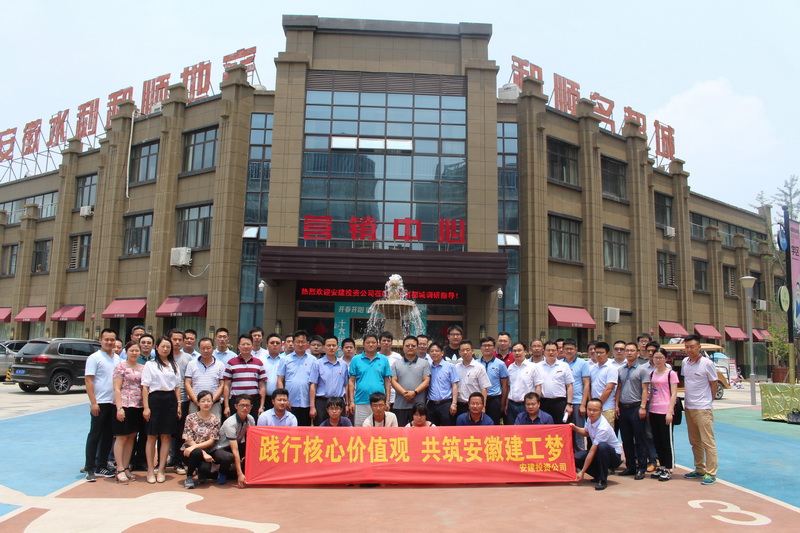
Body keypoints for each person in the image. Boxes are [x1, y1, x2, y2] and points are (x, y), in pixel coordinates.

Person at [141, 336, 181, 484]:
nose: (165, 349)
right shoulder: (150, 364)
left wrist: (178, 404)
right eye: (163, 346)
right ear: (156, 347)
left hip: (170, 400)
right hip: (154, 400)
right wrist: (146, 407)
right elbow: (145, 387)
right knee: (152, 436)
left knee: (166, 436)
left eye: (168, 347)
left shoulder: (174, 365)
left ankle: (161, 469)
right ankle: (150, 470)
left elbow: (177, 386)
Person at [681, 334, 719, 485]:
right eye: (687, 347)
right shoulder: (685, 362)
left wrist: (709, 400)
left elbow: (714, 383)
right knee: (694, 441)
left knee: (708, 442)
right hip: (689, 407)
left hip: (703, 408)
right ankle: (699, 468)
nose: (689, 350)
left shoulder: (707, 363)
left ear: (699, 347)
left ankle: (711, 473)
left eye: (692, 347)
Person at [84, 328, 120, 481]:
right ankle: (90, 467)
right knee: (95, 435)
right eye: (107, 339)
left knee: (108, 436)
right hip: (100, 402)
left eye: (112, 339)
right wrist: (93, 402)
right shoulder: (94, 358)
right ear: (100, 340)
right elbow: (88, 380)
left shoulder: (117, 358)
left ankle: (101, 465)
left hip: (113, 403)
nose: (110, 342)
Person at [571, 398, 623, 491]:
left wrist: (582, 472)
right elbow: (586, 432)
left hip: (613, 456)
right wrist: (574, 428)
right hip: (598, 453)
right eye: (589, 409)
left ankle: (602, 480)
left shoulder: (603, 427)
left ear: (601, 411)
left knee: (602, 446)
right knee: (575, 458)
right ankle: (598, 475)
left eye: (595, 410)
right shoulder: (590, 419)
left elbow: (592, 451)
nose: (591, 413)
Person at [615, 342, 650, 479]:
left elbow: (645, 390)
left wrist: (643, 407)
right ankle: (630, 466)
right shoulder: (621, 370)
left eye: (632, 350)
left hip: (636, 407)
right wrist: (617, 405)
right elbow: (619, 388)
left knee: (639, 439)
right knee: (626, 439)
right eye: (627, 350)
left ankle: (641, 467)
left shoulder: (642, 370)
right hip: (623, 408)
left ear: (638, 353)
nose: (629, 353)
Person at [112, 341, 144, 484]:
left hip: (137, 406)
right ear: (126, 352)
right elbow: (117, 388)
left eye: (137, 350)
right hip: (124, 405)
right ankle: (119, 468)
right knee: (121, 437)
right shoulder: (120, 367)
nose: (134, 353)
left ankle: (126, 467)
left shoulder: (143, 368)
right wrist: (119, 408)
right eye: (132, 350)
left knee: (132, 437)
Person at [648, 348, 679, 481]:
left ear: (666, 359)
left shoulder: (670, 374)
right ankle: (661, 466)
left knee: (667, 441)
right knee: (657, 441)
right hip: (653, 410)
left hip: (665, 411)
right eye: (656, 357)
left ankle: (669, 468)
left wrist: (669, 412)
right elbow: (651, 392)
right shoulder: (652, 373)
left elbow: (674, 394)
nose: (658, 360)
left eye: (661, 357)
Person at [348, 334, 392, 427]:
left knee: (379, 429)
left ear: (377, 344)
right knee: (360, 429)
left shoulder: (383, 359)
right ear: (363, 344)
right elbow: (351, 381)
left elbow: (387, 381)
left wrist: (387, 401)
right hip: (361, 401)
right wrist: (351, 401)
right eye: (368, 342)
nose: (371, 345)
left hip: (379, 402)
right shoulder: (356, 359)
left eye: (373, 342)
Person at [211, 394, 254, 488]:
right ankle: (222, 473)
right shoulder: (230, 423)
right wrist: (239, 474)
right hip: (221, 448)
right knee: (228, 457)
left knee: (255, 450)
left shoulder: (250, 419)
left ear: (251, 407)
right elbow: (235, 449)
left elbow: (252, 439)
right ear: (236, 406)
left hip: (237, 444)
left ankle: (248, 472)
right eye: (242, 405)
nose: (245, 408)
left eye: (247, 405)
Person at [181, 390, 220, 489]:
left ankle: (201, 473)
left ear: (212, 402)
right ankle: (189, 477)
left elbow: (211, 441)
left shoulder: (215, 419)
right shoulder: (190, 418)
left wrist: (204, 453)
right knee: (197, 452)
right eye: (203, 401)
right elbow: (188, 439)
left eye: (208, 401)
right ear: (198, 403)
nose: (206, 403)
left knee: (205, 468)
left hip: (207, 453)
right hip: (190, 452)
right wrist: (202, 452)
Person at [222, 334, 267, 420]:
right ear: (238, 346)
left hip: (253, 401)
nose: (246, 346)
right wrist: (226, 406)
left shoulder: (259, 363)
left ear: (252, 346)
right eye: (243, 344)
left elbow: (262, 386)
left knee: (252, 424)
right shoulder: (231, 363)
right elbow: (227, 385)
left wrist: (261, 406)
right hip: (236, 401)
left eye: (248, 344)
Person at [391, 335, 431, 427]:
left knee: (419, 431)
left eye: (413, 346)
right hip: (400, 405)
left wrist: (414, 392)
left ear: (417, 347)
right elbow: (393, 381)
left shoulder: (424, 363)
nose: (410, 347)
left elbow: (426, 380)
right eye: (407, 345)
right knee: (401, 431)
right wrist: (405, 393)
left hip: (419, 406)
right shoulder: (396, 363)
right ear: (403, 347)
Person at [309, 336, 350, 426]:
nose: (331, 348)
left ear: (337, 347)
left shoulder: (343, 365)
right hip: (322, 402)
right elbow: (313, 385)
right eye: (329, 345)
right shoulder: (317, 364)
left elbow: (346, 385)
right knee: (321, 428)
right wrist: (312, 407)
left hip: (338, 402)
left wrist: (347, 404)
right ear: (324, 347)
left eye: (333, 345)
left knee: (339, 428)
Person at [277, 330, 315, 426]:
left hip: (306, 403)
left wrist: (312, 406)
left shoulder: (313, 360)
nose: (300, 344)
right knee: (289, 429)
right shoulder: (285, 359)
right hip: (290, 402)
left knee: (304, 430)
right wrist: (284, 400)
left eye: (303, 342)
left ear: (307, 344)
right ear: (293, 343)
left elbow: (313, 384)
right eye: (298, 342)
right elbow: (280, 380)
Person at [184, 337, 225, 418]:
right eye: (203, 348)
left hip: (214, 405)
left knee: (214, 425)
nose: (206, 351)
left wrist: (211, 401)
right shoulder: (191, 364)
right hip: (195, 404)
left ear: (213, 348)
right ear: (199, 349)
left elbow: (222, 385)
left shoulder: (220, 365)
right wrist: (196, 401)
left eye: (208, 348)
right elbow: (187, 383)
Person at [536, 341, 574, 423]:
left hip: (560, 402)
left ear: (557, 351)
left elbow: (569, 386)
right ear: (544, 351)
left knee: (561, 426)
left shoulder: (564, 366)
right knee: (544, 426)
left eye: (553, 350)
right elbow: (537, 386)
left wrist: (569, 404)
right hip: (543, 402)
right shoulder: (538, 366)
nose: (551, 352)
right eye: (548, 350)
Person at [505, 342, 542, 425]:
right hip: (511, 404)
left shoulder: (533, 367)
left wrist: (536, 404)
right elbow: (509, 387)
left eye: (519, 350)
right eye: (514, 351)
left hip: (526, 405)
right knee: (511, 430)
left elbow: (538, 386)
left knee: (525, 429)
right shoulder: (510, 367)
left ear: (525, 352)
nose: (517, 353)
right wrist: (507, 404)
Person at [564, 338, 590, 451]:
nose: (569, 351)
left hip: (577, 402)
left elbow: (586, 384)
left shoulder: (582, 363)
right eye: (566, 349)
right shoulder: (560, 363)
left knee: (578, 432)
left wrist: (583, 404)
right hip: (564, 402)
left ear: (576, 349)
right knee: (565, 432)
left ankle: (580, 457)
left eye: (571, 349)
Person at [426, 342, 459, 426]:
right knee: (432, 429)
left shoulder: (450, 366)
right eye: (432, 351)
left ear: (442, 353)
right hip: (431, 404)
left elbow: (454, 386)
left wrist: (454, 404)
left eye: (437, 351)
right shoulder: (428, 368)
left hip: (446, 404)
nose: (434, 353)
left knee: (447, 429)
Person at [454, 340, 490, 417]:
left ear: (472, 351)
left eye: (467, 350)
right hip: (459, 404)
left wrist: (483, 406)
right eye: (462, 350)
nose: (465, 352)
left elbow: (484, 388)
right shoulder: (456, 367)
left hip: (474, 406)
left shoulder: (479, 367)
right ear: (459, 352)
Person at [477, 336, 509, 425]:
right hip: (478, 398)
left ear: (494, 348)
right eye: (484, 346)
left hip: (494, 399)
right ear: (481, 348)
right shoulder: (476, 363)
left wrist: (502, 403)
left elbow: (504, 385)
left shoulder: (500, 364)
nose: (487, 348)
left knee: (494, 424)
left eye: (489, 345)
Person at [589, 341, 618, 426]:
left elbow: (609, 389)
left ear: (608, 353)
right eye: (597, 352)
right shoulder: (592, 368)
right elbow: (589, 386)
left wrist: (598, 405)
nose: (598, 355)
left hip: (607, 408)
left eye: (601, 353)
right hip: (594, 408)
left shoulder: (611, 368)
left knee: (606, 432)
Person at [379, 331, 403, 405]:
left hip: (395, 394)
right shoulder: (375, 357)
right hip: (378, 393)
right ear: (379, 342)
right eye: (384, 340)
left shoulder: (398, 357)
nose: (386, 343)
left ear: (391, 343)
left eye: (388, 341)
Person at [262, 333, 284, 411]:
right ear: (267, 345)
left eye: (277, 343)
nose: (275, 345)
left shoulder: (285, 360)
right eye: (272, 343)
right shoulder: (261, 360)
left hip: (280, 398)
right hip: (264, 398)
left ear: (281, 346)